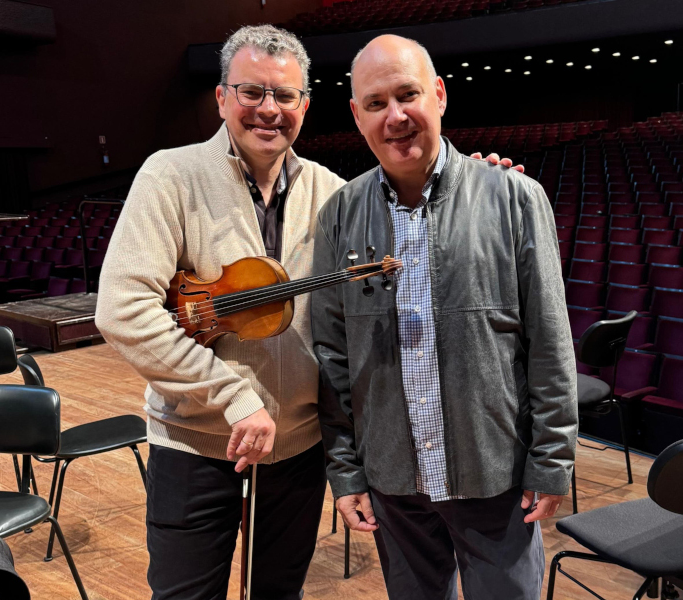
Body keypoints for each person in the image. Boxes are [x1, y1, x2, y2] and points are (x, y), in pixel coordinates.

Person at [96, 24, 519, 600]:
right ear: (221, 97)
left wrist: (477, 184)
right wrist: (232, 395)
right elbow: (122, 311)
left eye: (285, 96)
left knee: (279, 592)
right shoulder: (170, 175)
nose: (268, 109)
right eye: (251, 92)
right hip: (196, 442)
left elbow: (411, 233)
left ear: (306, 106)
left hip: (296, 449)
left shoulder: (333, 194)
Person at [311, 35, 579, 600]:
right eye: (377, 103)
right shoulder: (339, 214)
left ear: (439, 95)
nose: (397, 116)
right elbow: (333, 359)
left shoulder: (515, 197)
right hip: (392, 480)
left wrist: (551, 460)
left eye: (408, 94)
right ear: (357, 116)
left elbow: (550, 343)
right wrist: (347, 472)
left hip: (494, 473)